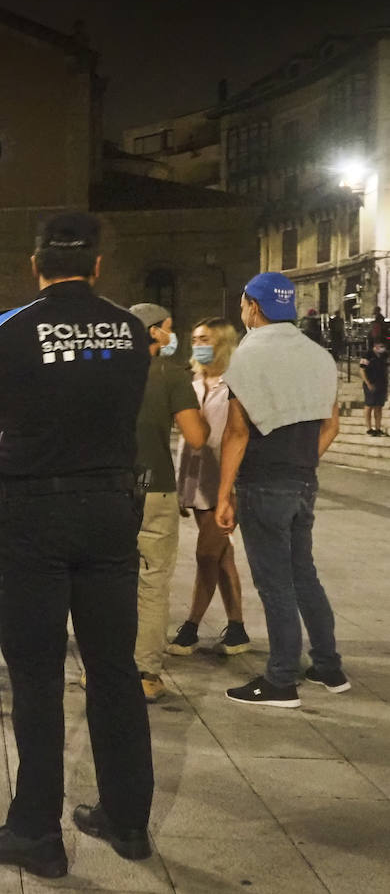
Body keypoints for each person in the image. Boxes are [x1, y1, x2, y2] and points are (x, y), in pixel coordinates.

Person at [0, 212, 153, 878]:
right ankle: (127, 819)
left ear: (35, 266)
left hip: (34, 510)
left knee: (38, 676)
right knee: (115, 667)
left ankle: (36, 830)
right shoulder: (131, 330)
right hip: (109, 507)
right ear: (97, 266)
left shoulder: (4, 330)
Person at [216, 272, 348, 707]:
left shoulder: (248, 355)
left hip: (263, 481)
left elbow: (237, 433)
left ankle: (281, 679)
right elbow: (331, 425)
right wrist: (304, 462)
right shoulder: (319, 355)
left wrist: (223, 494)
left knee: (274, 584)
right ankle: (328, 667)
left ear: (253, 306)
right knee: (302, 573)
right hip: (302, 480)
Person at [126, 302, 208, 703]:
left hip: (109, 490)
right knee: (152, 582)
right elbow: (196, 437)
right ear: (154, 332)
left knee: (108, 582)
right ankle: (144, 672)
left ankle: (104, 668)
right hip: (155, 487)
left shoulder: (106, 371)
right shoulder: (170, 373)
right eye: (169, 330)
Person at [169, 319, 251, 656]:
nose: (198, 343)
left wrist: (230, 490)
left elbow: (237, 434)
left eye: (205, 338)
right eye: (194, 338)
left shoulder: (236, 384)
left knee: (208, 553)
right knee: (221, 555)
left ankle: (191, 626)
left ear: (222, 343)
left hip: (224, 481)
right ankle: (237, 628)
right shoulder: (191, 382)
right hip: (196, 477)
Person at [360, 342, 387, 436]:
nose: (383, 348)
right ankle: (369, 429)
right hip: (371, 384)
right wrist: (368, 384)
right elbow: (362, 370)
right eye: (381, 346)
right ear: (375, 346)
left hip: (381, 384)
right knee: (369, 405)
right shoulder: (368, 355)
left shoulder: (383, 356)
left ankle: (378, 428)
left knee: (379, 406)